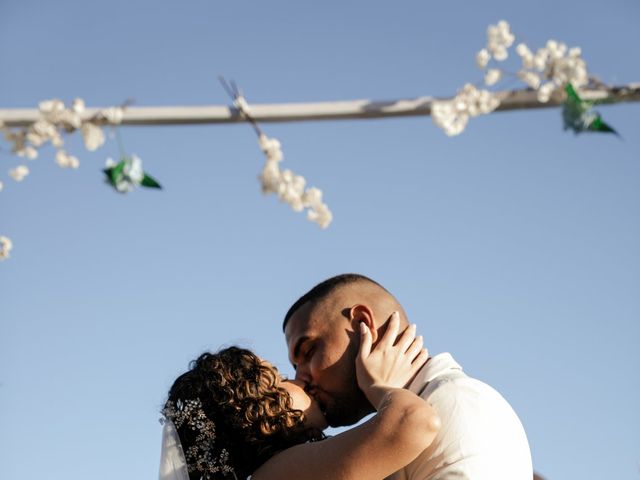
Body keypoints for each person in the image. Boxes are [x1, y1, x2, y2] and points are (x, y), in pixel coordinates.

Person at [283, 273, 533, 480]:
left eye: (308, 351)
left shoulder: (456, 402)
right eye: (294, 367)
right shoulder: (388, 432)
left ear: (361, 323)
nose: (300, 378)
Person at [159, 312, 440, 480]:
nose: (299, 378)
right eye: (281, 378)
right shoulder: (277, 474)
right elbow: (415, 421)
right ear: (251, 410)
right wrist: (378, 384)